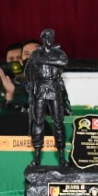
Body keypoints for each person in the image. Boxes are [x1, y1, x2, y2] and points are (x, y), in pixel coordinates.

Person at [24, 29, 69, 165]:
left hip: (54, 87)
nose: (49, 39)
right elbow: (28, 71)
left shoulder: (59, 53)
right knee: (38, 122)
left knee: (58, 122)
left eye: (51, 37)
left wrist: (45, 60)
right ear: (43, 38)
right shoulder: (35, 54)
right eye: (47, 37)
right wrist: (32, 85)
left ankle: (61, 156)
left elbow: (63, 63)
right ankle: (37, 156)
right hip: (41, 87)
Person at [0, 42, 24, 112]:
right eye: (11, 59)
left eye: (19, 58)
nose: (15, 61)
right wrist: (10, 100)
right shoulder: (2, 75)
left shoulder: (32, 74)